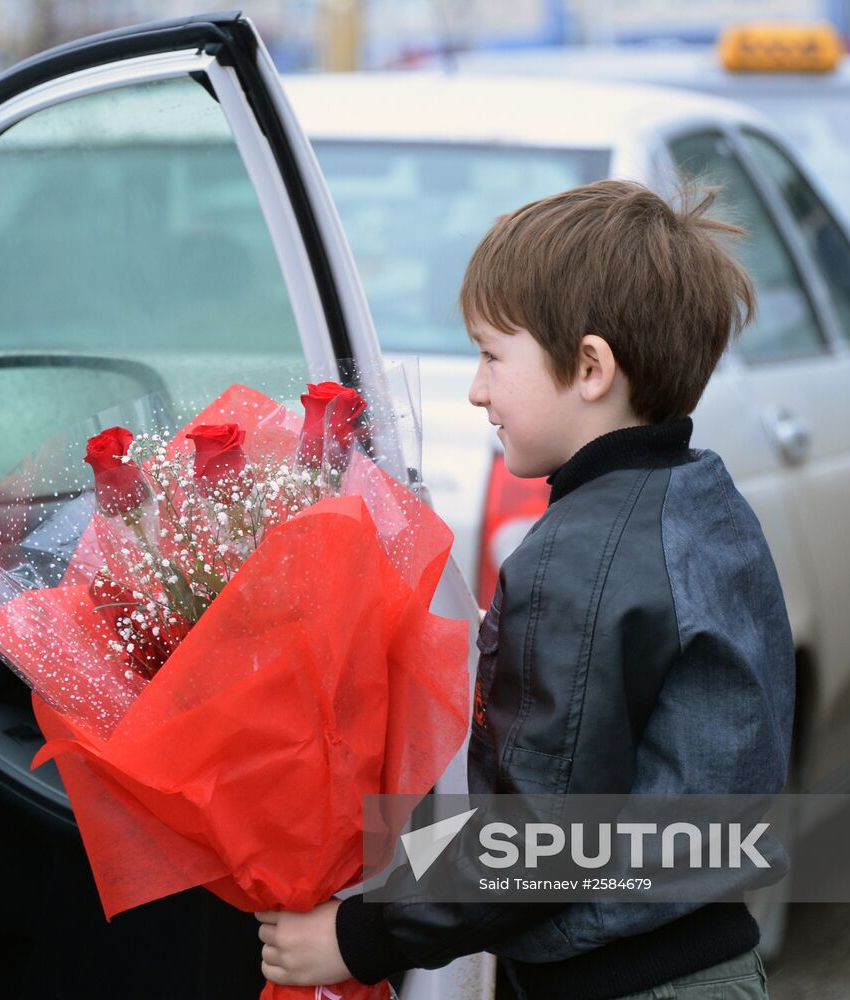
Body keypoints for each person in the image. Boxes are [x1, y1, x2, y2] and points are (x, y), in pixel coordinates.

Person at [256, 180, 795, 999]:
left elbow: (532, 834)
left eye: (490, 354)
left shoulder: (574, 557)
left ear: (588, 368)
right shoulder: (709, 510)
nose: (476, 389)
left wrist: (358, 933)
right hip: (713, 963)